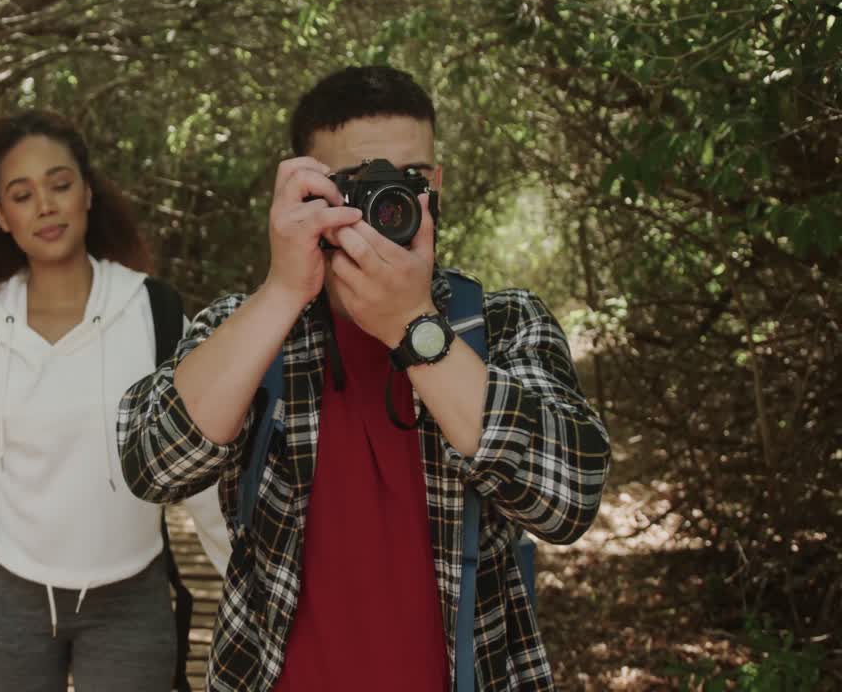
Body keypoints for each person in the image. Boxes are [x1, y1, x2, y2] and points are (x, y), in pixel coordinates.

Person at [118, 66, 611, 691]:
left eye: (410, 182)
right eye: (357, 185)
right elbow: (151, 464)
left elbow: (570, 498)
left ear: (438, 185)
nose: (385, 205)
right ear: (304, 189)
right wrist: (283, 290)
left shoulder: (502, 323)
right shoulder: (249, 331)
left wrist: (414, 326)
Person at [0, 110, 230, 692]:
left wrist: (245, 578)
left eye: (60, 184)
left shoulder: (152, 313)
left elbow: (202, 464)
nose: (45, 207)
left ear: (88, 192)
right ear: (1, 216)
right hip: (10, 601)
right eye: (22, 195)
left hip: (133, 594)